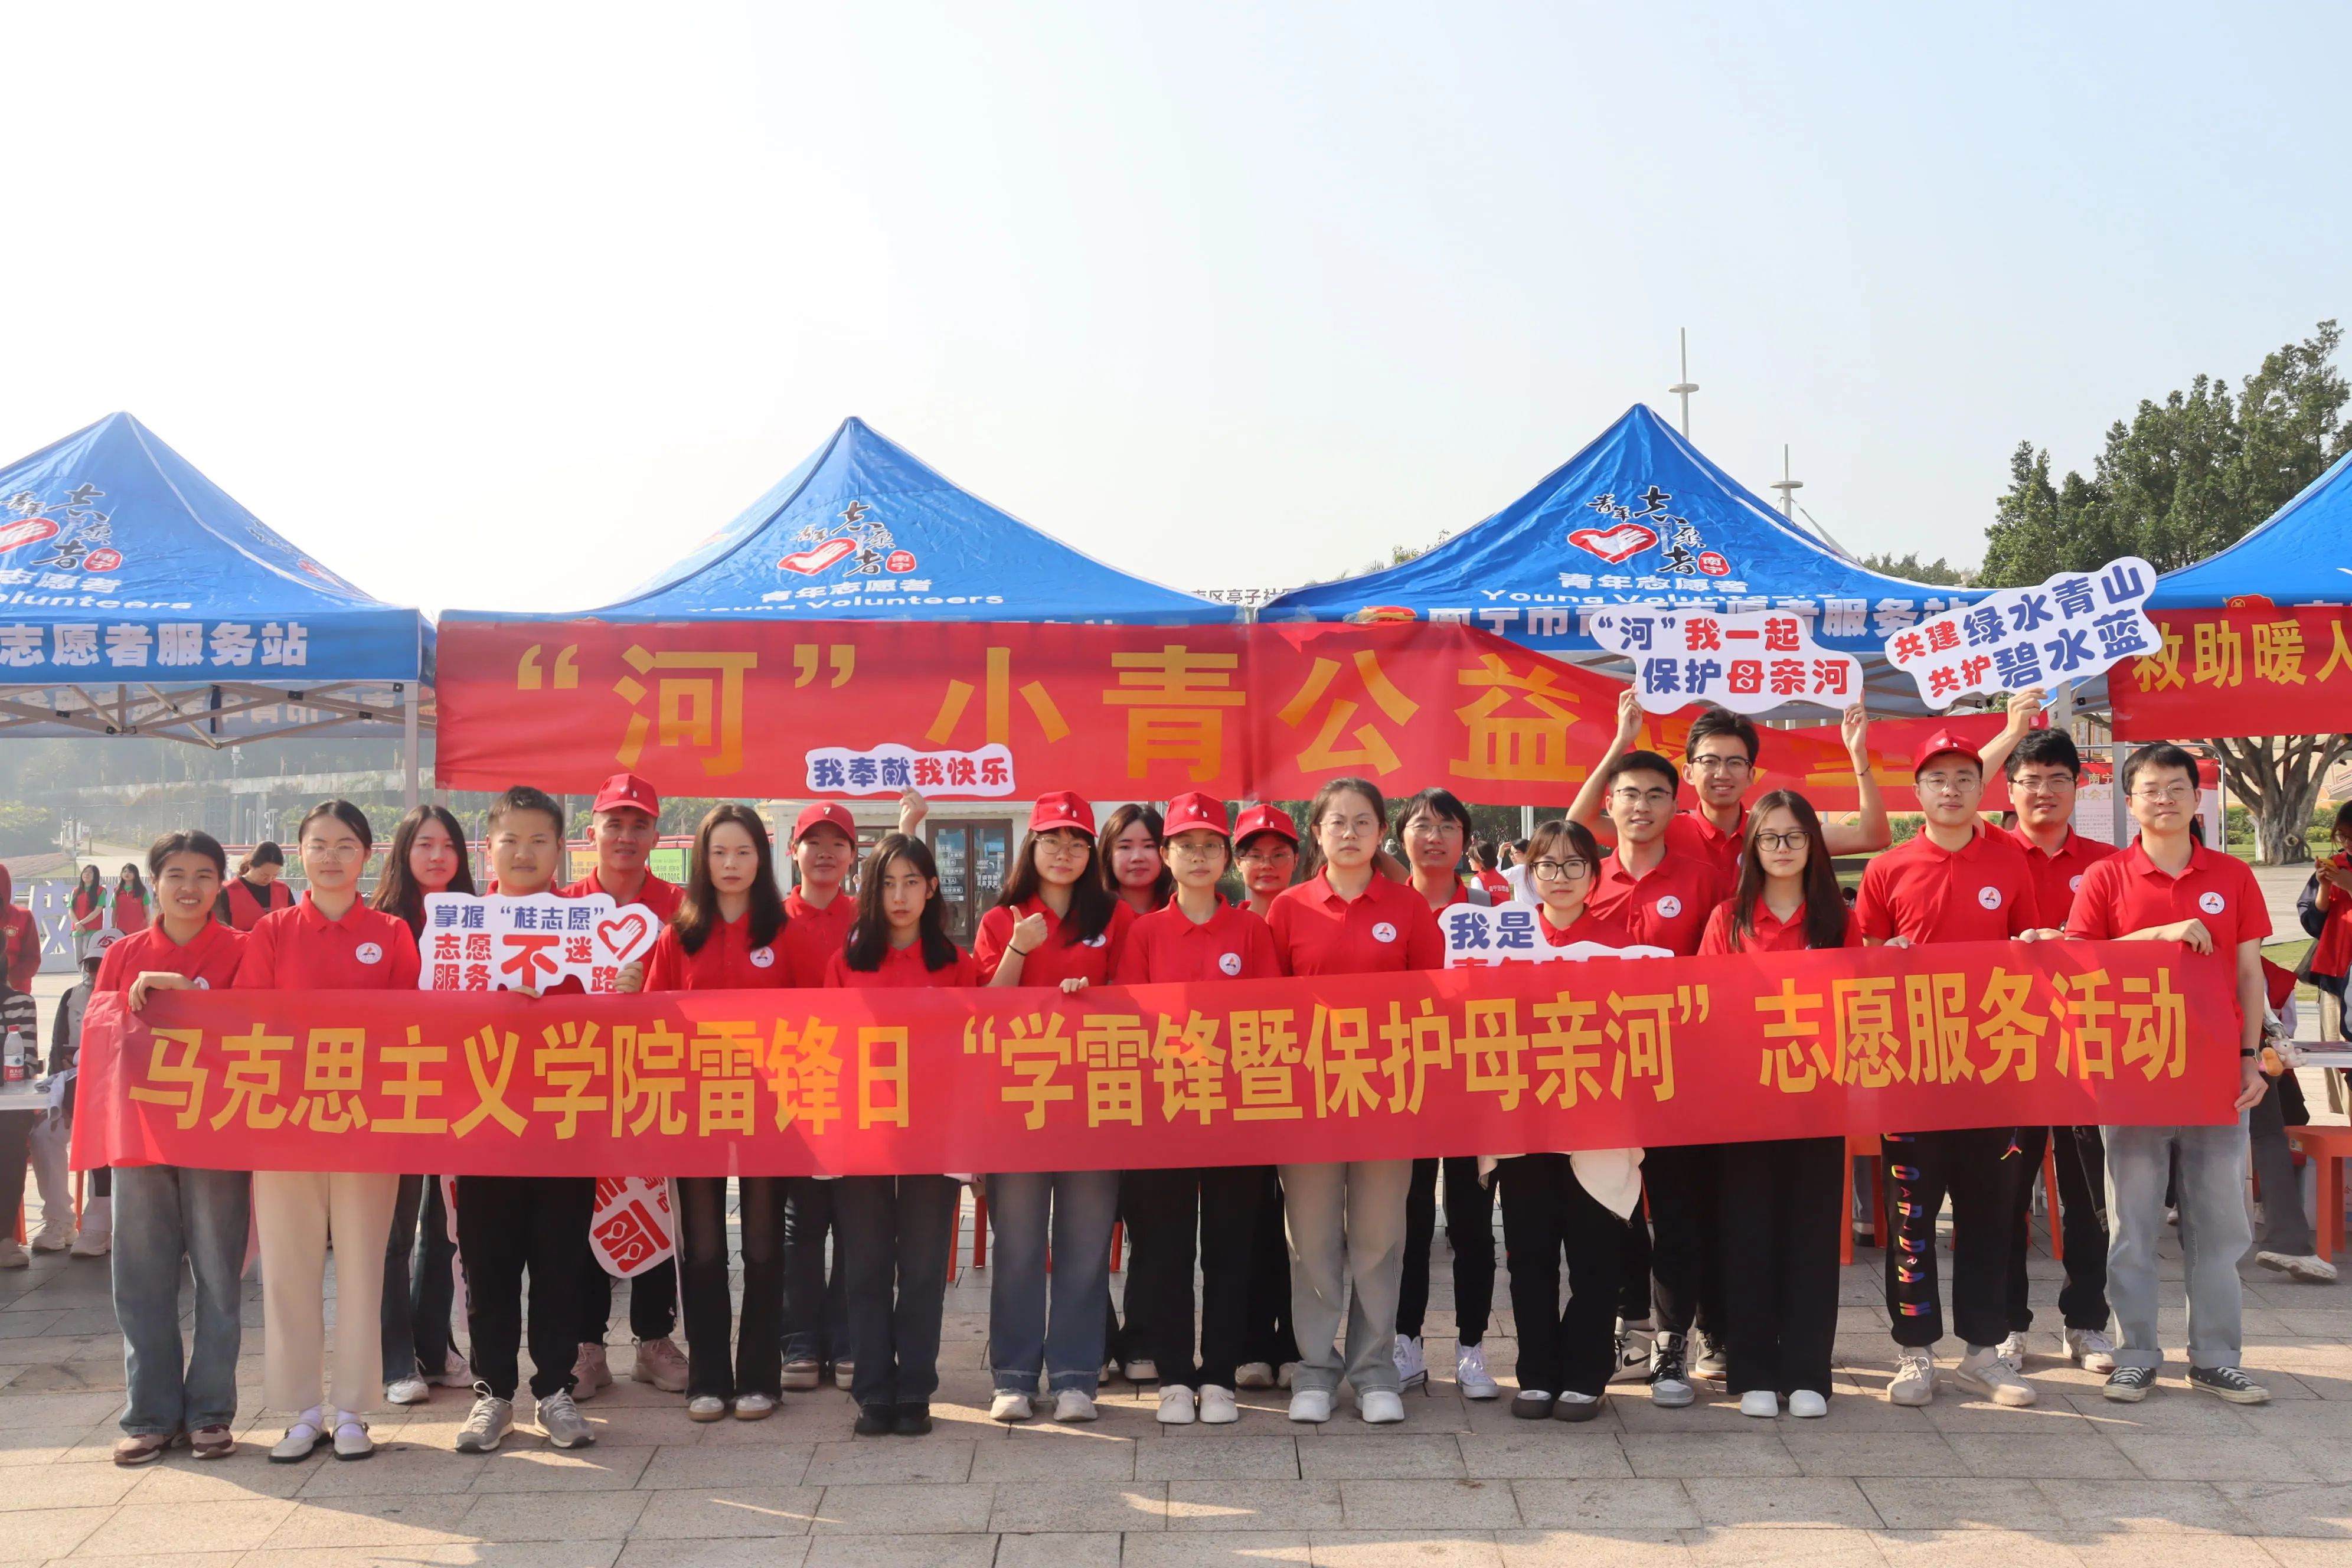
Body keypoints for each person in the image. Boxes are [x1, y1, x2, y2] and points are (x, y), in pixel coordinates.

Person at [2068, 743, 2273, 1406]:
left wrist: (2250, 1057)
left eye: (2176, 787)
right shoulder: (2106, 878)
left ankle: (2216, 1357)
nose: (2164, 799)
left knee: (2220, 1225)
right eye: (2150, 789)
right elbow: (2079, 961)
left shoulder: (2233, 876)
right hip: (2132, 1075)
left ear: (2196, 797)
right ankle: (2135, 1354)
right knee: (2132, 1225)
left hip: (2216, 1079)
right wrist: (2158, 935)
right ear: (2129, 803)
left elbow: (2249, 975)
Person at [1857, 730, 2053, 1409]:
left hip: (1994, 1071)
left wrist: (2034, 944)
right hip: (1912, 1075)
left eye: (1964, 777)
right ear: (1917, 792)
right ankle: (1914, 1351)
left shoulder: (2010, 862)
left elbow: (2031, 948)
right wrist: (1884, 956)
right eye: (1937, 779)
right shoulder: (1887, 868)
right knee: (1912, 1215)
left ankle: (1984, 1351)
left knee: (1991, 1215)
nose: (1951, 789)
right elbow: (1863, 964)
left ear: (1981, 787)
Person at [234, 800, 422, 1462]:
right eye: (319, 844)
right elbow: (250, 1021)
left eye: (346, 845)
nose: (332, 857)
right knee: (289, 1269)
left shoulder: (392, 933)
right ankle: (302, 1411)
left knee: (365, 1267)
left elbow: (412, 1026)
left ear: (367, 854)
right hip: (286, 1126)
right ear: (300, 853)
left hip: (368, 1126)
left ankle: (352, 1411)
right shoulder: (272, 931)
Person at [1266, 777, 1443, 1425]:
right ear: (1316, 833)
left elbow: (1433, 1000)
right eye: (1336, 822)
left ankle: (1374, 1371)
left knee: (1378, 1240)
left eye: (1362, 821)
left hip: (1387, 1098)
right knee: (1311, 1241)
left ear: (1381, 833)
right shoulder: (1288, 908)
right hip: (1308, 1101)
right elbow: (1265, 1009)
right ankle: (1314, 1369)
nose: (1349, 832)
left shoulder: (1408, 906)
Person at [1109, 791, 1284, 1426]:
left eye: (1212, 846)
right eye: (1186, 846)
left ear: (1226, 858)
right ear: (1168, 856)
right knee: (1166, 1249)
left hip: (1237, 1114)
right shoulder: (1145, 933)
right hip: (1165, 1115)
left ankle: (1219, 1376)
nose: (1200, 856)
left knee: (1232, 1249)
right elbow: (1129, 1020)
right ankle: (1176, 1375)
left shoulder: (1252, 931)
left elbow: (1270, 1020)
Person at [618, 804, 796, 1421]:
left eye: (743, 852)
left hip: (770, 1111)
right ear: (702, 860)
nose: (731, 864)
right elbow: (652, 1022)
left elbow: (819, 1019)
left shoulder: (784, 932)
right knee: (702, 1250)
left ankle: (761, 1378)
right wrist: (630, 993)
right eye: (719, 852)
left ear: (761, 859)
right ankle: (709, 1378)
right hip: (695, 1111)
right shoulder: (678, 936)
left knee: (765, 1247)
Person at [1697, 792, 1858, 1419]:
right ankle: (1753, 1370)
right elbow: (1709, 1008)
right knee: (1748, 1235)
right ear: (1753, 847)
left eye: (1795, 837)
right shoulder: (1727, 920)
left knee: (1811, 1236)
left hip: (1818, 1103)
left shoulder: (1837, 921)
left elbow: (1859, 1002)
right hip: (1745, 1105)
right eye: (1770, 838)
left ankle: (1809, 1372)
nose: (1783, 848)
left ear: (1813, 844)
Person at [974, 792, 1131, 1426]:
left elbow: (1135, 996)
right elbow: (985, 1009)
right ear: (1031, 847)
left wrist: (1096, 994)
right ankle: (1013, 1376)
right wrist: (1018, 948)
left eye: (1076, 842)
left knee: (1084, 1247)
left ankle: (1074, 1378)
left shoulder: (1115, 916)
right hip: (1020, 1104)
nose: (1064, 852)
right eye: (1051, 840)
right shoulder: (1003, 918)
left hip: (1095, 1101)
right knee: (1017, 1244)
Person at [454, 786, 600, 1455]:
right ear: (488, 847)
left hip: (566, 1122)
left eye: (539, 840)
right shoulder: (460, 931)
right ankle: (493, 1394)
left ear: (560, 850)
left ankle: (554, 1390)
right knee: (488, 1266)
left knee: (561, 1264)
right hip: (484, 1123)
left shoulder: (588, 927)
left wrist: (626, 989)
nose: (523, 852)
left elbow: (615, 1020)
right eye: (510, 839)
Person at [1583, 749, 1733, 1405]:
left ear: (1677, 804)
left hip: (1680, 1074)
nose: (1640, 806)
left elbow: (1728, 972)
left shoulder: (1705, 881)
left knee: (1678, 1211)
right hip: (1600, 1074)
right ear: (1609, 803)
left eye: (1654, 795)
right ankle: (1629, 1333)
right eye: (1629, 794)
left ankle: (1675, 1344)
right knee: (1612, 1208)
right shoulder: (1586, 879)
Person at [1977, 694, 2122, 1366]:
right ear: (2008, 788)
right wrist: (2012, 730)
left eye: (2057, 779)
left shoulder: (2108, 865)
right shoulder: (1985, 852)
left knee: (2089, 1195)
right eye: (2029, 780)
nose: (2043, 792)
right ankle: (2008, 1324)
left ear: (2078, 786)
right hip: (2005, 1050)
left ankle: (2086, 1320)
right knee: (2004, 1195)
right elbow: (1959, 786)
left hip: (2086, 1052)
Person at [100, 830, 250, 1464]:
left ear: (221, 884)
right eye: (176, 875)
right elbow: (100, 1035)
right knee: (141, 1275)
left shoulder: (243, 949)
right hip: (141, 1130)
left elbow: (265, 1025)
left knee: (218, 1273)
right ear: (153, 883)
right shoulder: (124, 952)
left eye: (204, 875)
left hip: (219, 1129)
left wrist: (195, 995)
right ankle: (150, 1414)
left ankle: (211, 1410)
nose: (190, 888)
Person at [826, 833, 976, 1436]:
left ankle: (914, 1389)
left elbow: (974, 1051)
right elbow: (828, 1047)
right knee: (864, 1265)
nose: (900, 895)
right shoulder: (847, 962)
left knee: (921, 1266)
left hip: (934, 1136)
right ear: (870, 891)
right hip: (863, 1133)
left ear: (932, 888)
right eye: (887, 883)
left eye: (912, 882)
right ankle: (872, 1391)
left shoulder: (957, 964)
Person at [1491, 817, 1641, 1422]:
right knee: (1530, 1257)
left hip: (1598, 1127)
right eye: (1546, 865)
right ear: (1530, 874)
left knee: (1595, 1257)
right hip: (1525, 1125)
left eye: (1573, 864)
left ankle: (1586, 1373)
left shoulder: (1622, 943)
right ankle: (1536, 1373)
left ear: (1593, 875)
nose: (1560, 876)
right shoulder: (1506, 939)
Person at [560, 772, 690, 1400]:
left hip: (657, 1079)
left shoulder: (683, 908)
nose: (626, 836)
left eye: (639, 825)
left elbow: (701, 993)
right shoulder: (562, 908)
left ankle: (654, 1340)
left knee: (655, 1208)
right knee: (582, 1212)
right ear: (592, 833)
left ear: (656, 836)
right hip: (581, 1083)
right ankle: (586, 1346)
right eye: (614, 824)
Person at [1388, 787, 1501, 1402]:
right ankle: (1404, 1341)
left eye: (1447, 826)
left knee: (1472, 1225)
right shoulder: (1385, 907)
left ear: (1466, 838)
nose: (1434, 837)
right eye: (1422, 825)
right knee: (1406, 1222)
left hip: (1474, 1087)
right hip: (1403, 1084)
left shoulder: (1492, 905)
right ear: (1400, 835)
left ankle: (1472, 1347)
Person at [369, 805, 476, 1406]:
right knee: (395, 1230)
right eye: (425, 844)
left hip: (466, 1089)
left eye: (449, 845)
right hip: (400, 1090)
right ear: (403, 851)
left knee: (446, 1228)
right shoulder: (382, 924)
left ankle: (435, 1346)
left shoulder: (482, 920)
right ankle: (394, 1357)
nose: (438, 856)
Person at [1569, 693, 1889, 883]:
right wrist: (1621, 742)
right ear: (1689, 772)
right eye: (1709, 761)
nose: (1722, 773)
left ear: (1751, 775)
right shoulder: (1663, 829)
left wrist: (1857, 753)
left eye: (1735, 762)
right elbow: (1580, 824)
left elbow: (1873, 837)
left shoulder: (1774, 833)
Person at [779, 801, 863, 1393]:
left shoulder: (870, 919)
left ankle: (848, 1337)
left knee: (857, 1221)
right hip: (795, 1091)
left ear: (853, 855)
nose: (826, 852)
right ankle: (799, 1340)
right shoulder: (771, 920)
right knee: (802, 1224)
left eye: (838, 843)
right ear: (794, 850)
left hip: (862, 1092)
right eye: (815, 841)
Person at [1229, 803, 1303, 1389]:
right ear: (1237, 863)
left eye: (1280, 854)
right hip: (1241, 1091)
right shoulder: (1226, 925)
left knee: (1304, 1225)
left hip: (1312, 1086)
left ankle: (1298, 1344)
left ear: (1298, 859)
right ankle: (1252, 1342)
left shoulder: (1311, 916)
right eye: (1255, 855)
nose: (1267, 865)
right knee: (1250, 1222)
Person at [34, 951, 110, 1257]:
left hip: (116, 1099)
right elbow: (57, 1053)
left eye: (105, 965)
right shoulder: (71, 997)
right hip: (75, 1090)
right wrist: (63, 1099)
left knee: (98, 1133)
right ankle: (59, 1220)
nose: (97, 972)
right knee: (44, 1134)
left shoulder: (137, 995)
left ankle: (99, 1225)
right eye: (92, 965)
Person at [215, 841, 295, 930]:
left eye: (274, 875)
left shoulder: (283, 890)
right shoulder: (227, 891)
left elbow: (292, 923)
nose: (269, 879)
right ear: (251, 865)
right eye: (264, 875)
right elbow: (218, 929)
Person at [68, 865, 106, 961]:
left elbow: (97, 911)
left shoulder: (100, 891)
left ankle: (87, 972)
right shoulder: (76, 891)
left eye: (90, 872)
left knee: (87, 954)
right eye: (85, 872)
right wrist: (77, 924)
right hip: (77, 928)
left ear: (95, 876)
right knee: (79, 956)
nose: (87, 874)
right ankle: (83, 972)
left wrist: (81, 923)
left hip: (92, 928)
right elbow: (71, 910)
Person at [1467, 837, 1511, 903]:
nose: (1469, 861)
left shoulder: (1478, 880)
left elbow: (1477, 905)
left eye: (1470, 858)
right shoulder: (1504, 881)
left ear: (1479, 859)